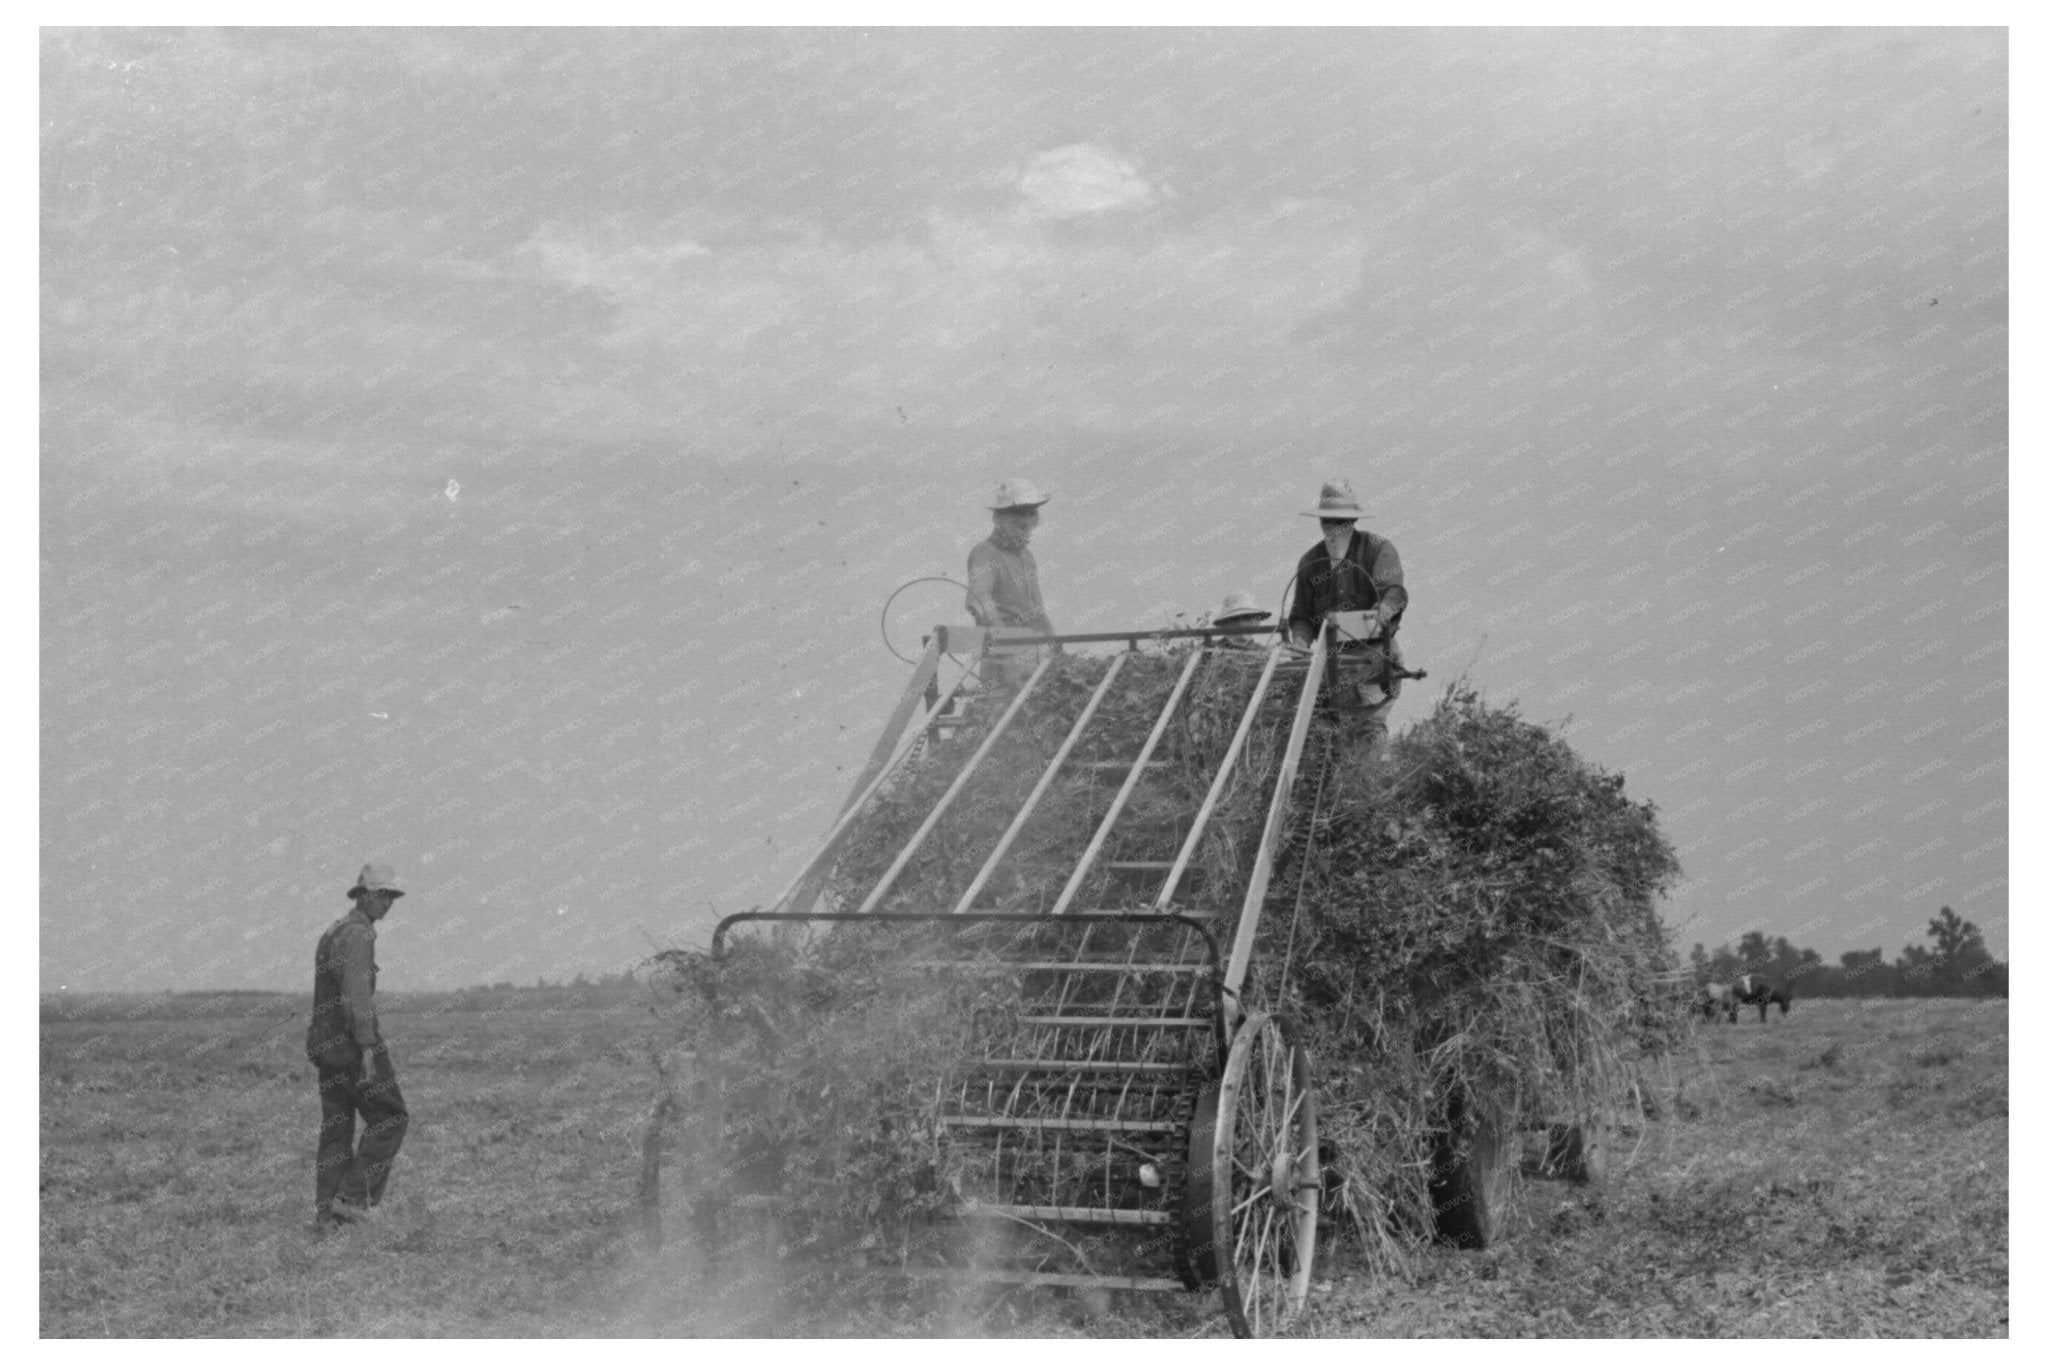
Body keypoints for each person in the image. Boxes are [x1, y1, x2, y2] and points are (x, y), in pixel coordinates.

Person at [307, 862, 410, 1232]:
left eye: (390, 896)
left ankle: (328, 1218)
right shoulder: (359, 936)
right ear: (362, 896)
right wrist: (368, 1048)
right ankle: (350, 1201)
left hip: (326, 1046)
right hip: (352, 1045)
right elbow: (356, 998)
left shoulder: (334, 931)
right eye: (379, 895)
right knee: (391, 1117)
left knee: (337, 1129)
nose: (386, 903)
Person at [1284, 480, 1409, 758]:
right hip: (1333, 663)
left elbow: (1394, 591)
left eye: (1340, 521)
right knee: (1331, 730)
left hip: (1374, 655)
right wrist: (1301, 641)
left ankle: (1370, 790)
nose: (1333, 527)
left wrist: (1383, 612)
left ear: (1352, 520)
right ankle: (1337, 793)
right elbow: (1302, 614)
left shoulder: (1377, 548)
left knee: (1369, 725)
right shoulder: (1310, 562)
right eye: (1327, 521)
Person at [965, 478, 1059, 686]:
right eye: (1018, 513)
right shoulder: (985, 553)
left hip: (1033, 653)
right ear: (1000, 517)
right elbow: (979, 600)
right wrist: (1004, 640)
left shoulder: (1026, 556)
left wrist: (1056, 645)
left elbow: (1037, 609)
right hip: (1003, 657)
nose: (1025, 521)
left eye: (1030, 513)